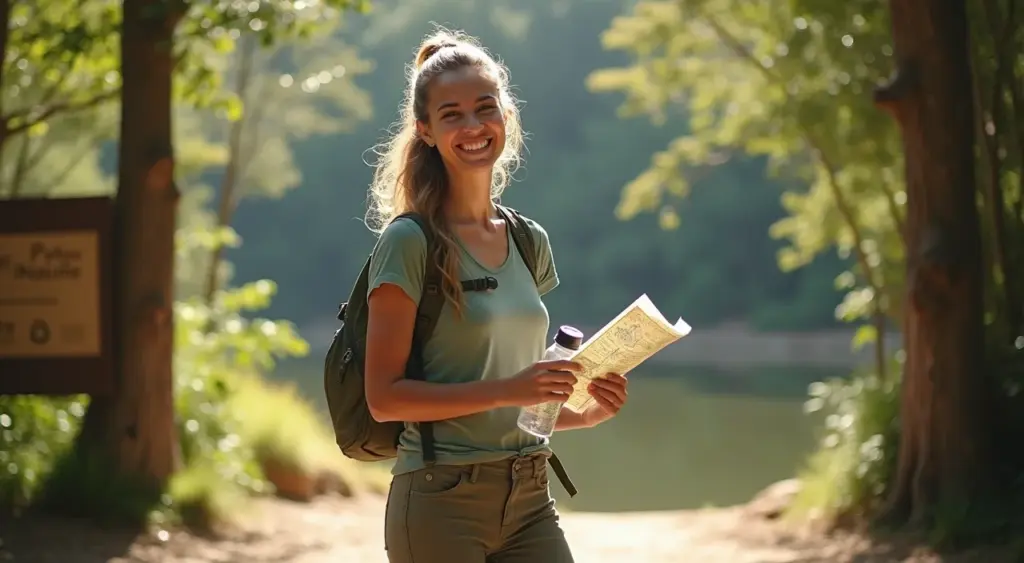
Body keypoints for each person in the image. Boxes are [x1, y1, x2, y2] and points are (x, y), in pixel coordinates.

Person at [362, 28, 630, 563]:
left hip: (531, 494)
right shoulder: (409, 242)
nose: (472, 126)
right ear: (425, 130)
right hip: (440, 499)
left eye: (484, 108)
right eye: (451, 114)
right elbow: (385, 398)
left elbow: (518, 406)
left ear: (506, 115)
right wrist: (511, 387)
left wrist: (586, 411)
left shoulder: (528, 241)